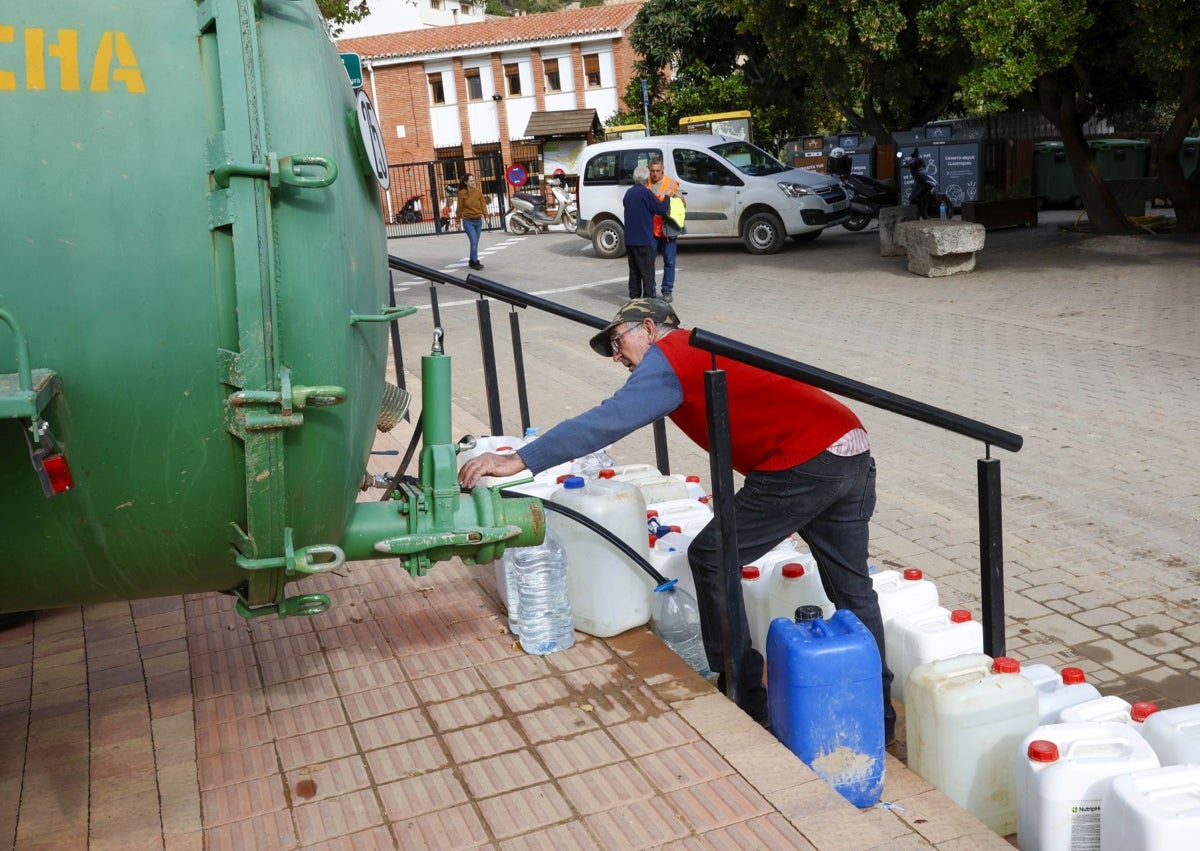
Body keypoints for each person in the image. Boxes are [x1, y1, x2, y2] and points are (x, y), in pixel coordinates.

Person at [458, 299, 895, 740]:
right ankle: (881, 718)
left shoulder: (671, 355)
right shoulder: (700, 352)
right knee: (853, 587)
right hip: (848, 445)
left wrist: (520, 458)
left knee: (711, 556)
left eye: (616, 340)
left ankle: (744, 696)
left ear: (648, 327)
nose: (615, 355)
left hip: (804, 461)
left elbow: (608, 419)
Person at [622, 165, 671, 299]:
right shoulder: (646, 193)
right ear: (647, 178)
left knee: (634, 272)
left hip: (630, 240)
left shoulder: (628, 193)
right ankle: (648, 302)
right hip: (644, 240)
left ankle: (634, 300)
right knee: (647, 273)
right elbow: (661, 209)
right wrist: (667, 197)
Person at [648, 158, 681, 303]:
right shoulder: (646, 183)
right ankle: (651, 291)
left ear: (663, 170)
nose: (655, 174)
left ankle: (667, 291)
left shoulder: (671, 184)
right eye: (652, 171)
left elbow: (682, 203)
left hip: (668, 229)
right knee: (649, 263)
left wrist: (675, 201)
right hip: (651, 231)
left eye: (657, 171)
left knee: (669, 262)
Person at [457, 173, 485, 270]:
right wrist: (457, 221)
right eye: (471, 181)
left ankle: (471, 260)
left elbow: (483, 205)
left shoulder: (478, 192)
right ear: (466, 182)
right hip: (468, 221)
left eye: (473, 180)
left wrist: (486, 216)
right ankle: (475, 262)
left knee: (475, 242)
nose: (473, 182)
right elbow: (459, 208)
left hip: (478, 221)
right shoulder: (462, 194)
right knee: (473, 241)